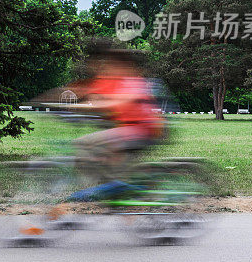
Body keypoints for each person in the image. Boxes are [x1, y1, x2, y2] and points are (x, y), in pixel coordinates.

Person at [35, 40, 165, 199]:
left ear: (125, 67)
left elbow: (112, 104)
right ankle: (118, 188)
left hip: (142, 131)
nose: (109, 69)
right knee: (100, 152)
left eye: (113, 66)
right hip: (131, 130)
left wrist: (75, 108)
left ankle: (113, 188)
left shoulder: (133, 82)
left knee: (86, 143)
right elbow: (94, 96)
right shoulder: (122, 82)